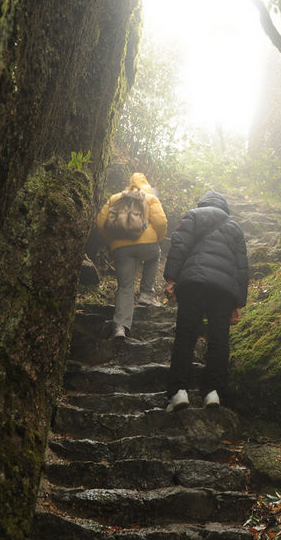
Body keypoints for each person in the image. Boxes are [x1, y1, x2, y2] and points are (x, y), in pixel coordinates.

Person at [163, 190, 248, 411]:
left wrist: (172, 279)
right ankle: (212, 392)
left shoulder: (193, 215)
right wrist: (239, 302)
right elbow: (241, 267)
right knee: (219, 339)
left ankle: (179, 391)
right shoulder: (234, 226)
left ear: (202, 203)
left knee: (185, 335)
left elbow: (179, 246)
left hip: (193, 282)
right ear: (224, 207)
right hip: (223, 290)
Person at [97, 172, 168, 339]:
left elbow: (101, 223)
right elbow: (161, 223)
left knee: (125, 286)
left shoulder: (115, 198)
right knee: (155, 254)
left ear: (129, 184)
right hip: (147, 245)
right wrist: (156, 238)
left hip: (120, 247)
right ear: (146, 184)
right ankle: (146, 294)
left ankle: (120, 327)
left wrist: (112, 240)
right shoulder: (150, 197)